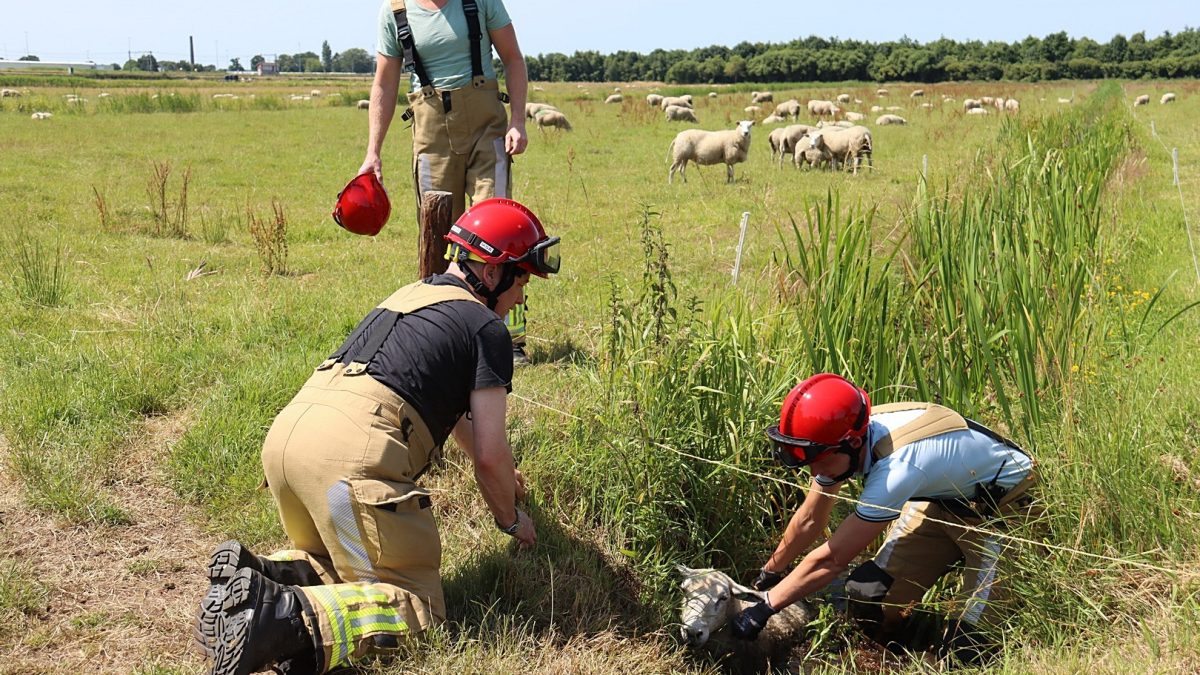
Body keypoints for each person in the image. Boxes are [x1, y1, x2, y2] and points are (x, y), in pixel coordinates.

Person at [194, 198, 560, 675]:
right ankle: (281, 621)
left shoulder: (412, 294)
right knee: (417, 609)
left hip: (289, 448)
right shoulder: (486, 328)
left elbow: (459, 425)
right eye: (522, 280)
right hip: (346, 469)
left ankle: (259, 580)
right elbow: (490, 455)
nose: (522, 297)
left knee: (344, 561)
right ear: (491, 274)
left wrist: (506, 477)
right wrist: (512, 521)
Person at [731, 373, 1037, 666]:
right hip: (944, 502)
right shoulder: (842, 441)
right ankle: (893, 656)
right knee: (869, 593)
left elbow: (833, 559)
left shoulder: (897, 470)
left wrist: (766, 606)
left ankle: (946, 648)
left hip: (1005, 513)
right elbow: (810, 518)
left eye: (819, 461)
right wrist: (770, 572)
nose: (814, 473)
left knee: (970, 644)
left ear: (851, 444)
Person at [358, 0, 535, 364]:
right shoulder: (395, 11)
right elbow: (384, 82)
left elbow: (513, 59)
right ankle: (444, 334)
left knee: (499, 233)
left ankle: (507, 339)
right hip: (431, 133)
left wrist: (518, 119)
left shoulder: (481, 1)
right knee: (439, 235)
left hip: (488, 129)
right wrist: (372, 151)